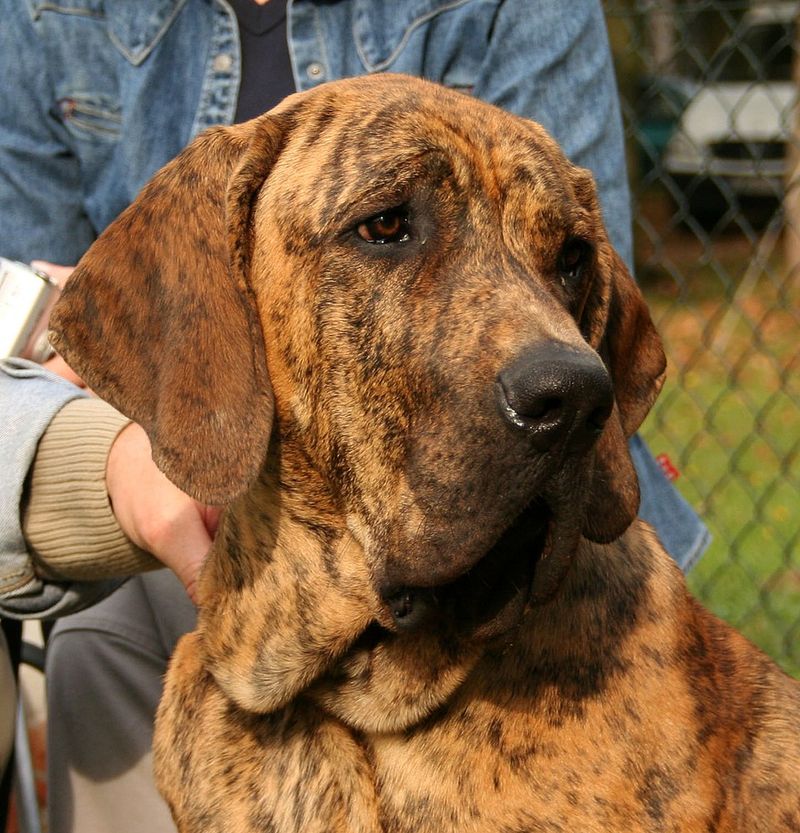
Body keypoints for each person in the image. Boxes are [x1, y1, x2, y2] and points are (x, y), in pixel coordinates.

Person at [0, 1, 710, 830]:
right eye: (386, 227)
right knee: (109, 624)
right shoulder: (46, 14)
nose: (551, 353)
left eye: (560, 267)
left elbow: (574, 302)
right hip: (190, 519)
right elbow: (27, 349)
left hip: (536, 616)